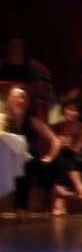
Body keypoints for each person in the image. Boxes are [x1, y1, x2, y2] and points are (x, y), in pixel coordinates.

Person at [7, 88, 57, 218]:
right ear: (9, 100)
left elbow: (55, 141)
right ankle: (51, 189)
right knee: (29, 153)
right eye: (16, 96)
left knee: (27, 160)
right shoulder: (3, 120)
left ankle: (21, 208)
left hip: (24, 162)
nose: (20, 100)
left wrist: (50, 157)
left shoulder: (32, 121)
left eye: (23, 97)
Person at [47, 98, 82, 215]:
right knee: (62, 159)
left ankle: (59, 201)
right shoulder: (55, 127)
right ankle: (79, 186)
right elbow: (50, 148)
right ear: (64, 111)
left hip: (79, 160)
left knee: (67, 157)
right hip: (59, 161)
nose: (73, 113)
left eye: (76, 111)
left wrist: (67, 145)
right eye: (70, 110)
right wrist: (59, 144)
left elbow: (78, 150)